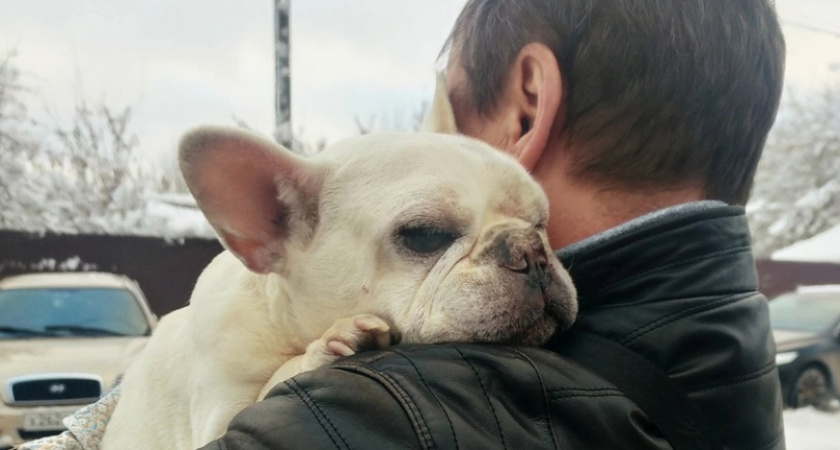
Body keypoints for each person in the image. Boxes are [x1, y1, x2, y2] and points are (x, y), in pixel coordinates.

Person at [202, 0, 786, 448]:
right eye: (429, 233)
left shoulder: (355, 417)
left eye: (452, 116)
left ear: (527, 104)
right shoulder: (729, 349)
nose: (435, 143)